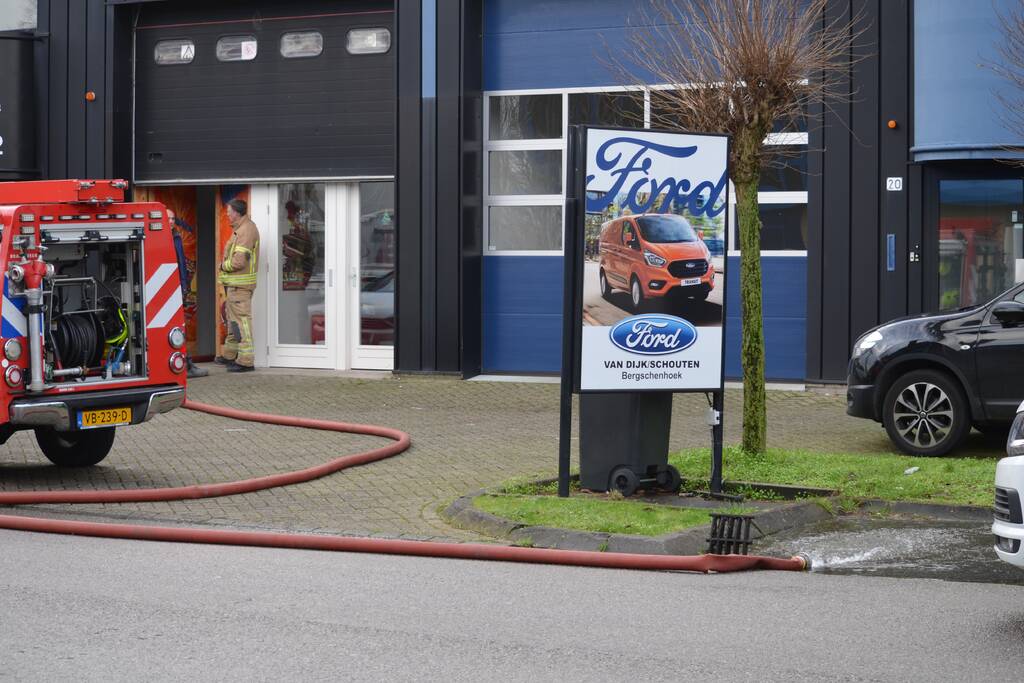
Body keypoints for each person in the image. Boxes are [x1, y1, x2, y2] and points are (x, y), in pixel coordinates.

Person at [215, 198, 260, 373]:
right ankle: (229, 355)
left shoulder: (246, 231)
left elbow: (239, 262)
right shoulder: (241, 229)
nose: (227, 214)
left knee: (242, 322)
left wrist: (222, 266)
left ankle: (246, 361)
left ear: (236, 212)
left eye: (229, 211)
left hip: (240, 286)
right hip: (234, 285)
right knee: (233, 321)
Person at [167, 209, 207, 379]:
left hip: (176, 287)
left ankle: (185, 362)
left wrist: (184, 285)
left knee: (179, 326)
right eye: (168, 218)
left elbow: (180, 262)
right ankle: (184, 363)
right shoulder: (158, 236)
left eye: (173, 219)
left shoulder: (176, 235)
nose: (171, 221)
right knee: (175, 327)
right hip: (165, 290)